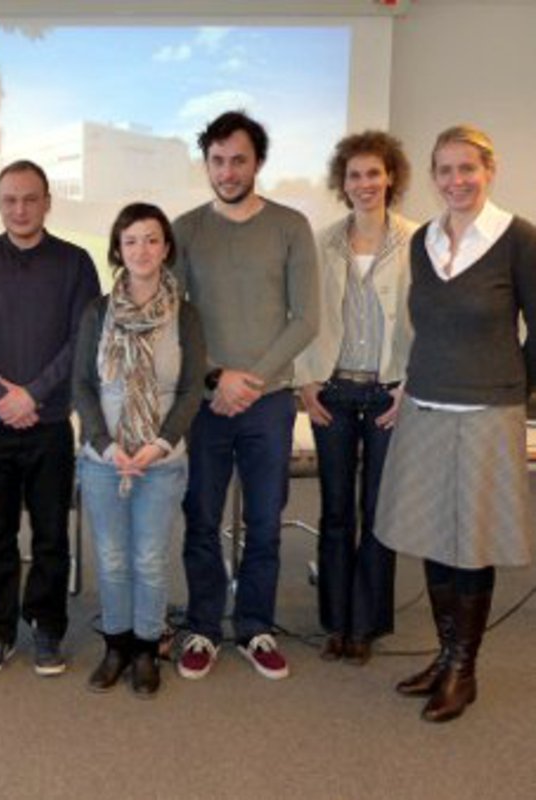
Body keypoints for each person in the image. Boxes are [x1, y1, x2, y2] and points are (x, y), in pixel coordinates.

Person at [376, 125, 536, 722]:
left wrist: (514, 389)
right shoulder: (422, 241)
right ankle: (445, 656)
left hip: (487, 411)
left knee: (473, 543)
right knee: (433, 534)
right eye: (444, 170)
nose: (455, 181)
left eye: (466, 168)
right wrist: (411, 384)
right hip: (426, 405)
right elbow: (426, 327)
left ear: (489, 170)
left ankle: (464, 670)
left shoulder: (518, 239)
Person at [173, 110, 319, 680]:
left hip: (271, 400)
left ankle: (255, 625)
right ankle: (204, 628)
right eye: (217, 160)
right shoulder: (185, 229)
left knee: (264, 520)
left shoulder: (290, 226)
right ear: (206, 163)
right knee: (202, 517)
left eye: (239, 160)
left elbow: (305, 318)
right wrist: (216, 378)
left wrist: (247, 379)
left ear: (258, 161)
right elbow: (175, 318)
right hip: (207, 403)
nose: (228, 171)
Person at [0, 160, 100, 677]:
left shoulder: (76, 262)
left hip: (51, 422)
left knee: (50, 536)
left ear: (46, 202)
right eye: (9, 199)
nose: (19, 209)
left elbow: (82, 340)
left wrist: (32, 394)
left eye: (29, 199)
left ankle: (47, 628)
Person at [73, 203, 205, 697]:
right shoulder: (97, 312)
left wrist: (159, 443)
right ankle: (117, 646)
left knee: (149, 558)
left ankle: (147, 648)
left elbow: (192, 389)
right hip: (104, 459)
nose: (142, 250)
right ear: (118, 250)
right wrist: (105, 445)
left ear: (166, 249)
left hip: (162, 459)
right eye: (131, 241)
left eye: (152, 240)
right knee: (110, 558)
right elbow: (81, 385)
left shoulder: (186, 315)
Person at [296, 131, 417, 665]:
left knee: (379, 511)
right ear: (341, 183)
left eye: (373, 173)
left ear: (390, 176)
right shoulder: (322, 242)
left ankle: (367, 624)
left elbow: (429, 323)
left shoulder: (420, 240)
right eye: (354, 175)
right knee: (338, 509)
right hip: (335, 392)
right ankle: (336, 621)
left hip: (390, 391)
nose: (364, 184)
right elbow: (302, 316)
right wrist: (304, 382)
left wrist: (410, 388)